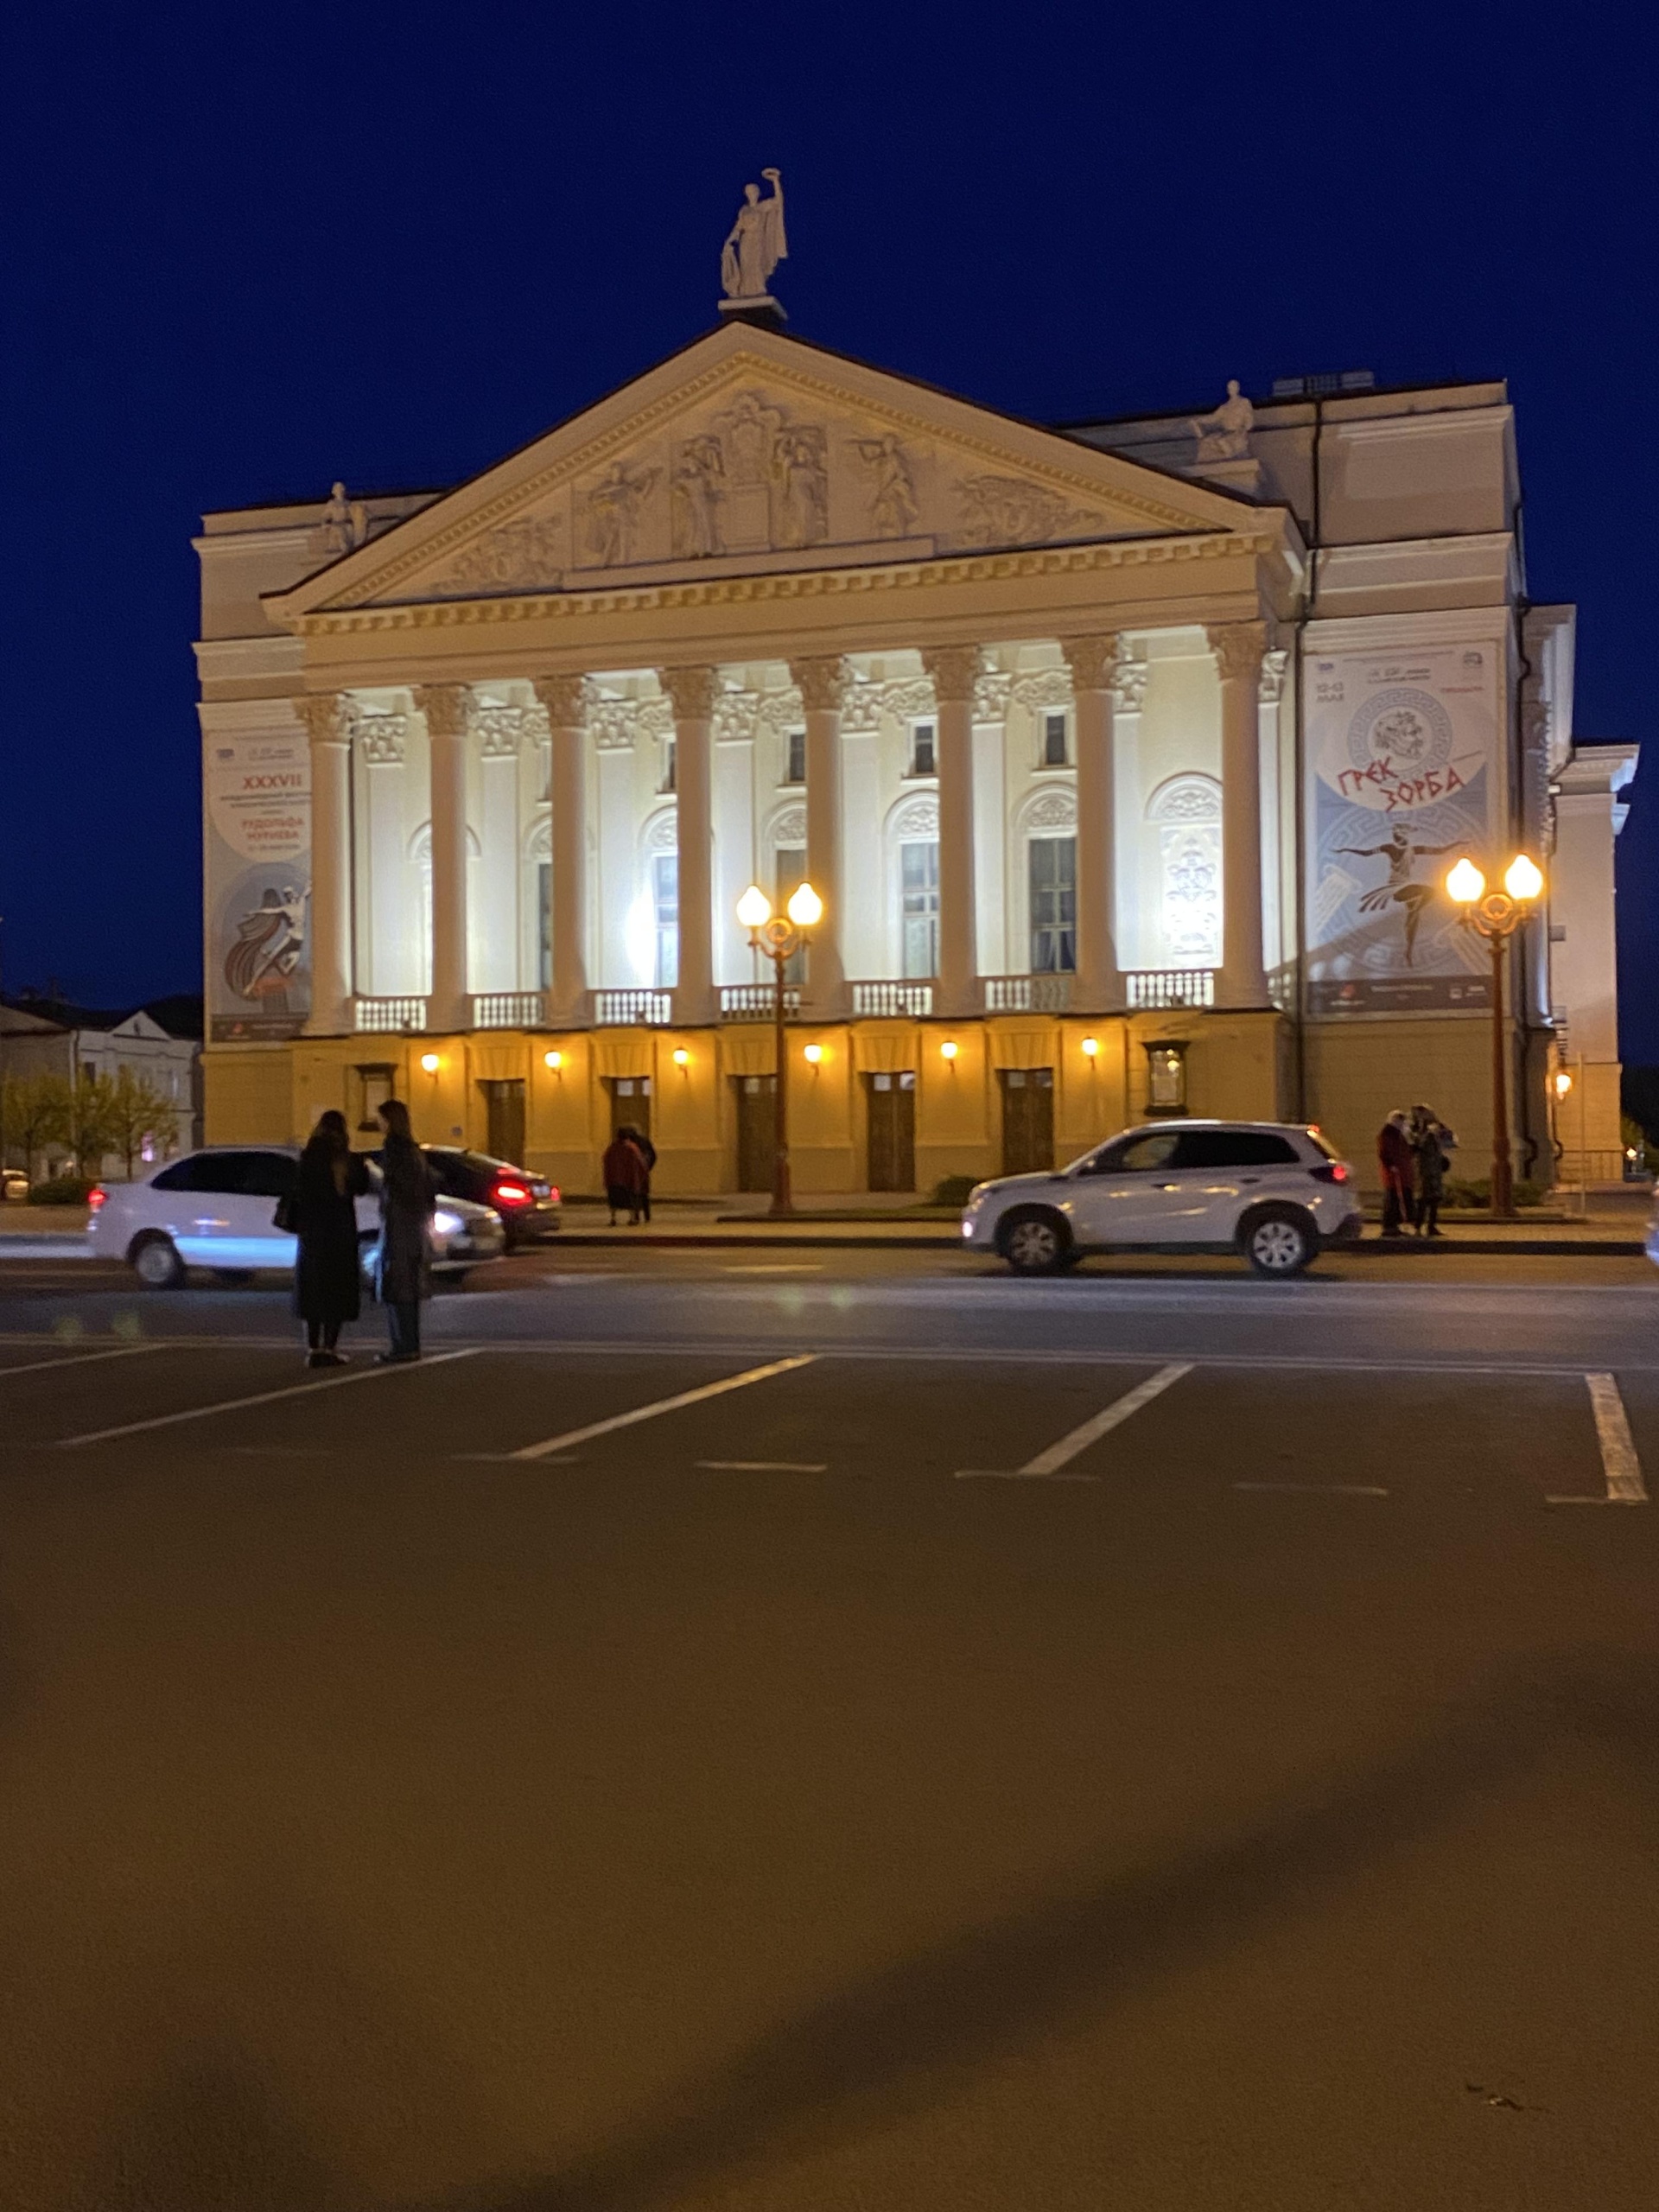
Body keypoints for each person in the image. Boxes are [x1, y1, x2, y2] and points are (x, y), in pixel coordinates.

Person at [290, 1109, 369, 1366]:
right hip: (340, 1233)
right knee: (337, 1290)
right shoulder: (347, 1160)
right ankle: (330, 1347)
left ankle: (313, 1349)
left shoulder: (308, 1158)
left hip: (313, 1234)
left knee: (313, 1289)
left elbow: (297, 1190)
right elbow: (362, 1187)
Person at [375, 1097, 435, 1361]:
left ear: (389, 1120)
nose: (377, 1122)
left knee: (397, 1284)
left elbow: (394, 1188)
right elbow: (427, 1188)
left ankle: (402, 1346)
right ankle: (410, 1344)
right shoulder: (414, 1150)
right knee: (409, 1284)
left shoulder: (394, 1149)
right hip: (415, 1226)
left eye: (381, 1118)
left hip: (399, 1225)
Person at [1408, 1104, 1456, 1238]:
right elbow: (1416, 1145)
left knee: (1435, 1199)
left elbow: (1448, 1140)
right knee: (1422, 1200)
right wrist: (1425, 1130)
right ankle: (1417, 1227)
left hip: (1435, 1169)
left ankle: (1432, 1226)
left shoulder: (1435, 1129)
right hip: (1423, 1170)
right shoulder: (1415, 1130)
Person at [1377, 1109, 1415, 1237]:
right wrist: (1391, 1165)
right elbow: (1384, 1152)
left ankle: (1395, 1224)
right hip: (1393, 1174)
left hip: (1401, 1172)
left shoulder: (1399, 1135)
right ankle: (1389, 1225)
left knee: (1399, 1199)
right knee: (1392, 1199)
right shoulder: (1387, 1134)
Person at [602, 1127, 648, 1226]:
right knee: (630, 1200)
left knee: (614, 1201)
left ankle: (613, 1218)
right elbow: (641, 1163)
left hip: (614, 1180)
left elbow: (606, 1161)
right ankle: (632, 1218)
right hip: (628, 1180)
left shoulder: (612, 1148)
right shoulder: (632, 1148)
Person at [625, 1122, 658, 1223]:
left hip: (634, 1172)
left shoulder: (630, 1144)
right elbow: (653, 1155)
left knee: (634, 1194)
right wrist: (648, 1168)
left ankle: (637, 1216)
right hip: (644, 1170)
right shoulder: (645, 1141)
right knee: (644, 1195)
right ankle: (647, 1216)